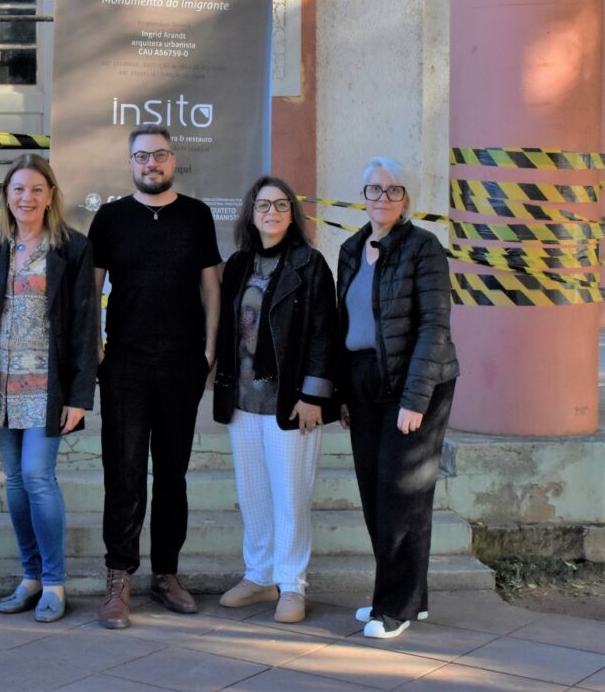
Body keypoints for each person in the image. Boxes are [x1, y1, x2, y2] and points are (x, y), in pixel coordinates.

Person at [88, 123, 221, 629]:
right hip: (124, 364)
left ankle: (166, 573)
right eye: (142, 156)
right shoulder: (111, 217)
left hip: (182, 363)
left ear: (172, 160)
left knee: (171, 474)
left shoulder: (197, 215)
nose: (151, 164)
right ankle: (119, 576)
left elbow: (211, 286)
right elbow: (91, 288)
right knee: (122, 473)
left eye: (160, 155)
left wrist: (209, 349)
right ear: (130, 163)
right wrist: (96, 349)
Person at [337, 157, 459, 639]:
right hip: (364, 379)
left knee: (401, 493)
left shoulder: (424, 248)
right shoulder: (350, 249)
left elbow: (435, 326)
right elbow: (344, 324)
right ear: (363, 196)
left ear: (406, 199)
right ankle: (409, 595)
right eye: (374, 190)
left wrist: (415, 399)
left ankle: (394, 607)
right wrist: (343, 393)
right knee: (375, 491)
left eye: (393, 191)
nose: (382, 198)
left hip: (416, 381)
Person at [0, 154, 97, 623]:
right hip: (2, 384)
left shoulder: (72, 247)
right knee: (14, 481)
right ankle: (28, 578)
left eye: (36, 189)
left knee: (36, 477)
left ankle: (53, 582)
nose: (26, 198)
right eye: (18, 189)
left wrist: (80, 397)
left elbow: (86, 326)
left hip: (48, 386)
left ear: (50, 196)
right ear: (6, 196)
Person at [212, 176, 338, 624]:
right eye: (263, 205)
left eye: (281, 204)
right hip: (243, 401)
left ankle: (291, 583)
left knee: (290, 494)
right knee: (253, 494)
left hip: (290, 401)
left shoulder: (310, 264)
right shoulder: (239, 264)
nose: (272, 212)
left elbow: (325, 332)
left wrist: (313, 395)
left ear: (292, 213)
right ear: (251, 213)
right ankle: (260, 575)